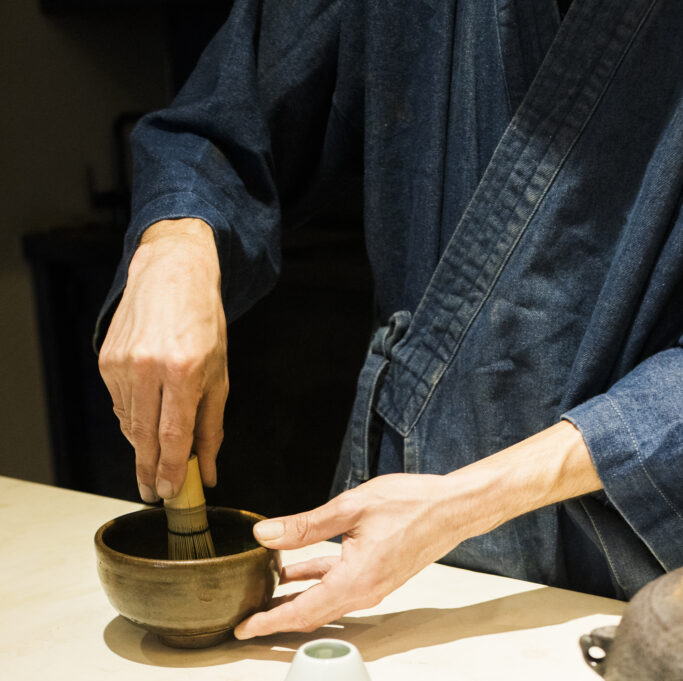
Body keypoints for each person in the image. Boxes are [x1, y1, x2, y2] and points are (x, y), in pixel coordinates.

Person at [97, 0, 683, 640]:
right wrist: (175, 246)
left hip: (635, 590)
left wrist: (459, 504)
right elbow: (224, 119)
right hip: (384, 556)